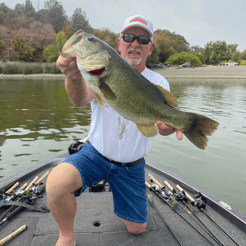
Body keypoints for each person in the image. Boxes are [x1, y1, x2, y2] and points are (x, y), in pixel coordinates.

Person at [46, 15, 183, 246]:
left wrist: (170, 126)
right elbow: (79, 100)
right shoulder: (98, 72)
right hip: (95, 155)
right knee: (56, 183)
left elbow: (160, 127)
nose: (135, 43)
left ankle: (126, 196)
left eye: (142, 38)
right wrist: (71, 76)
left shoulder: (158, 82)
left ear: (151, 46)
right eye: (129, 37)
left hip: (131, 165)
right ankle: (67, 237)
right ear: (119, 43)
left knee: (137, 229)